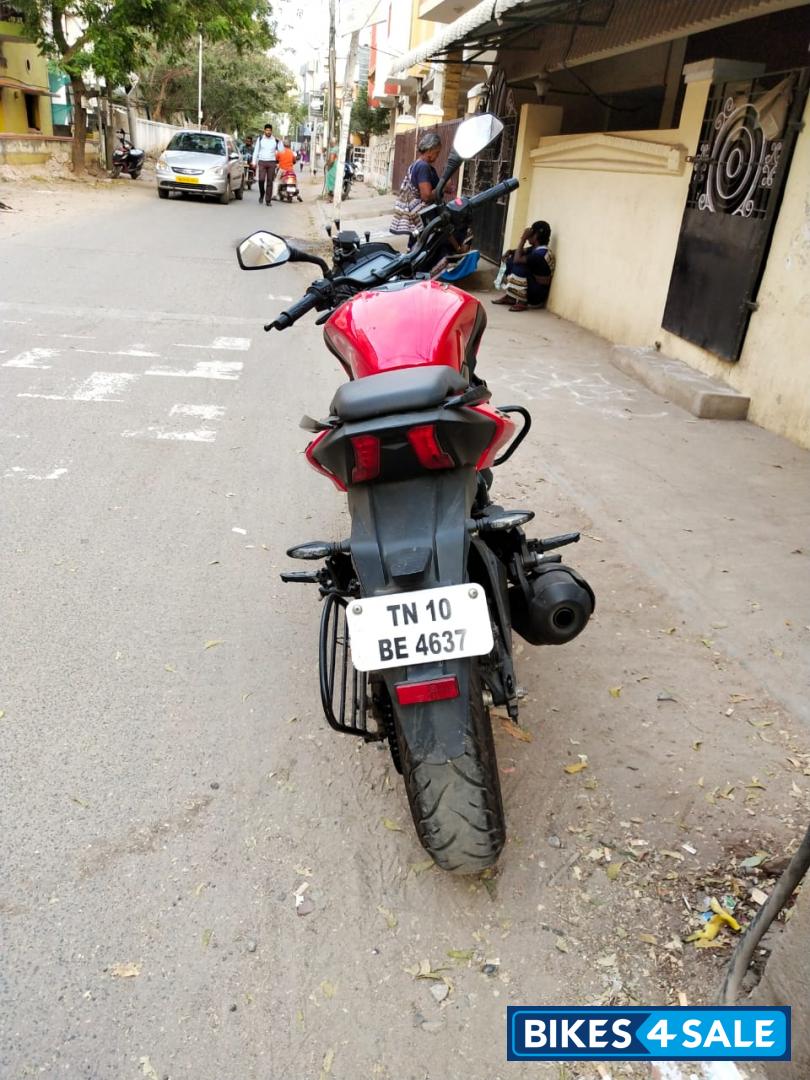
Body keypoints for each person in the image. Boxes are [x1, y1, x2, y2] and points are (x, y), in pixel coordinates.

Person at [390, 129, 442, 247]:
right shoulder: (423, 166)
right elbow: (426, 196)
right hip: (423, 217)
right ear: (430, 150)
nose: (438, 156)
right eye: (437, 152)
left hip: (417, 216)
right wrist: (442, 188)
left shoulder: (417, 164)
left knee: (415, 245)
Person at [492, 221, 555, 311]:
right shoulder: (537, 249)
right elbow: (520, 251)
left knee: (519, 265)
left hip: (537, 295)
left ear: (536, 236)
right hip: (533, 287)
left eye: (531, 234)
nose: (529, 236)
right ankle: (511, 297)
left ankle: (522, 302)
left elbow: (517, 260)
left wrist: (523, 239)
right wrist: (510, 251)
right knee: (510, 261)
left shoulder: (540, 254)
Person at [252, 123, 278, 205]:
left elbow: (281, 150)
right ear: (264, 131)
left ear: (271, 131)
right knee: (261, 180)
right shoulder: (260, 139)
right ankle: (262, 193)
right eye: (267, 130)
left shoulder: (275, 140)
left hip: (272, 162)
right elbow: (256, 151)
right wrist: (254, 161)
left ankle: (268, 200)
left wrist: (280, 142)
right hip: (262, 161)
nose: (268, 132)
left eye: (270, 131)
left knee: (270, 181)